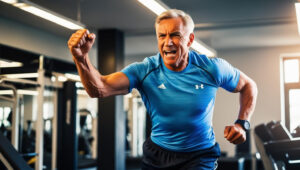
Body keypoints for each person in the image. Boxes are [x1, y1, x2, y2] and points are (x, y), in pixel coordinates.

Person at [68, 9, 257, 170]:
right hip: (158, 154)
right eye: (162, 36)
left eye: (175, 34)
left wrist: (242, 123)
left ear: (190, 39)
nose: (168, 42)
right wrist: (81, 58)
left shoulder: (211, 68)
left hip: (199, 155)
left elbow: (249, 86)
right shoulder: (145, 70)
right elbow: (99, 89)